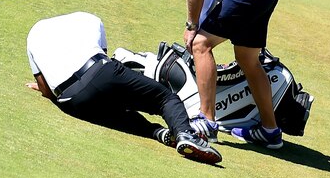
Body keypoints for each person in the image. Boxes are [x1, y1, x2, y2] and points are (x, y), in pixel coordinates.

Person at [133, 0, 285, 149]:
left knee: (201, 44)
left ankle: (207, 123)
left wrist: (192, 25)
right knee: (248, 59)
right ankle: (270, 131)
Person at [25, 11, 222, 164]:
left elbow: (45, 88)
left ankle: (158, 133)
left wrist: (47, 89)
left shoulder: (33, 33)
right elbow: (104, 59)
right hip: (100, 71)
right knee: (165, 98)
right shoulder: (90, 19)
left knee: (115, 113)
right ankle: (185, 134)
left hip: (70, 99)